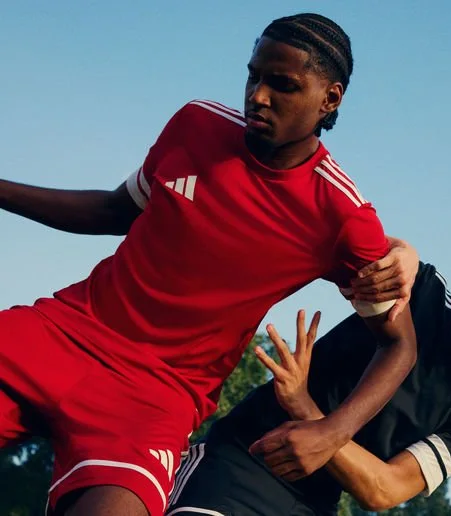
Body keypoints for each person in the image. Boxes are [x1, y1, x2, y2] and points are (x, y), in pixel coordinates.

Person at [0, 13, 420, 516]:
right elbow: (115, 211)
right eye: (253, 76)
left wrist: (332, 431)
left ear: (330, 98)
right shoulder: (196, 123)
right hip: (64, 332)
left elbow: (400, 345)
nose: (258, 96)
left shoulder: (341, 217)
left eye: (283, 85)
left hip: (156, 395)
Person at [165, 244, 451, 516]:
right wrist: (403, 252)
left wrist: (307, 410)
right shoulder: (424, 290)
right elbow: (361, 242)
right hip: (243, 456)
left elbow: (385, 488)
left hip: (311, 505)